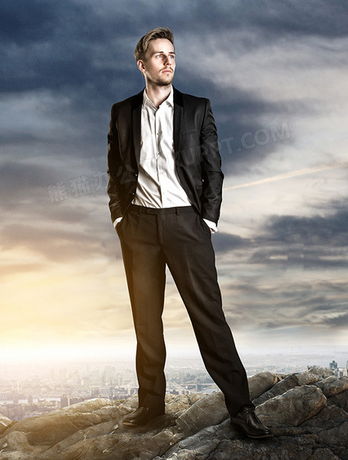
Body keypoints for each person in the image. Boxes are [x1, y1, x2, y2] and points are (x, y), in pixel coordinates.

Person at [106, 27, 270, 439]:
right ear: (142, 64)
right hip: (139, 226)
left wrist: (208, 219)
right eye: (158, 55)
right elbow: (115, 168)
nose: (168, 61)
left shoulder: (197, 108)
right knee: (146, 320)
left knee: (209, 318)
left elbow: (214, 167)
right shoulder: (122, 111)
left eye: (172, 54)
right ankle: (150, 407)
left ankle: (242, 409)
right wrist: (119, 218)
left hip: (187, 224)